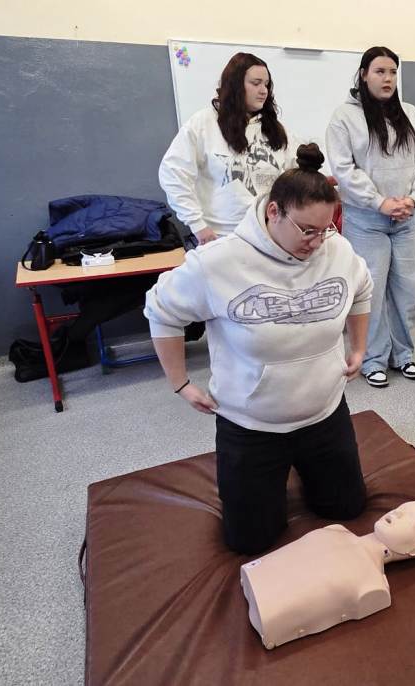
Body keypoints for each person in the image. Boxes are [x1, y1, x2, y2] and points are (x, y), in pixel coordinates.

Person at [144, 144, 374, 555]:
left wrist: (358, 347)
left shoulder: (336, 249)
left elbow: (361, 290)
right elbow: (161, 310)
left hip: (324, 414)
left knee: (347, 508)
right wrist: (180, 383)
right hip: (252, 425)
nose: (317, 242)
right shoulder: (217, 262)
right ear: (273, 212)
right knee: (250, 541)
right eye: (307, 230)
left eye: (325, 229)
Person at [326, 46, 415, 388]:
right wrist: (378, 203)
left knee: (408, 291)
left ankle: (403, 354)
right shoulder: (344, 117)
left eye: (392, 72)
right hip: (366, 221)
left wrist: (413, 198)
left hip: (407, 219)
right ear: (364, 74)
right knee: (370, 293)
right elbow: (343, 169)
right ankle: (373, 358)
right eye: (380, 71)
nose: (387, 78)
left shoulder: (411, 114)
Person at [240, 501, 415, 649]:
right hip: (251, 574)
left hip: (267, 617)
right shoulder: (336, 530)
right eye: (400, 509)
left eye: (410, 521)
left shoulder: (374, 588)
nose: (396, 514)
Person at [159, 52, 298, 245]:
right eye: (256, 83)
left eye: (266, 84)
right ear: (236, 85)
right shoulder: (204, 123)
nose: (263, 91)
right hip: (220, 237)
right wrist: (197, 225)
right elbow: (173, 173)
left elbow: (295, 176)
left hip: (268, 236)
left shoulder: (275, 129)